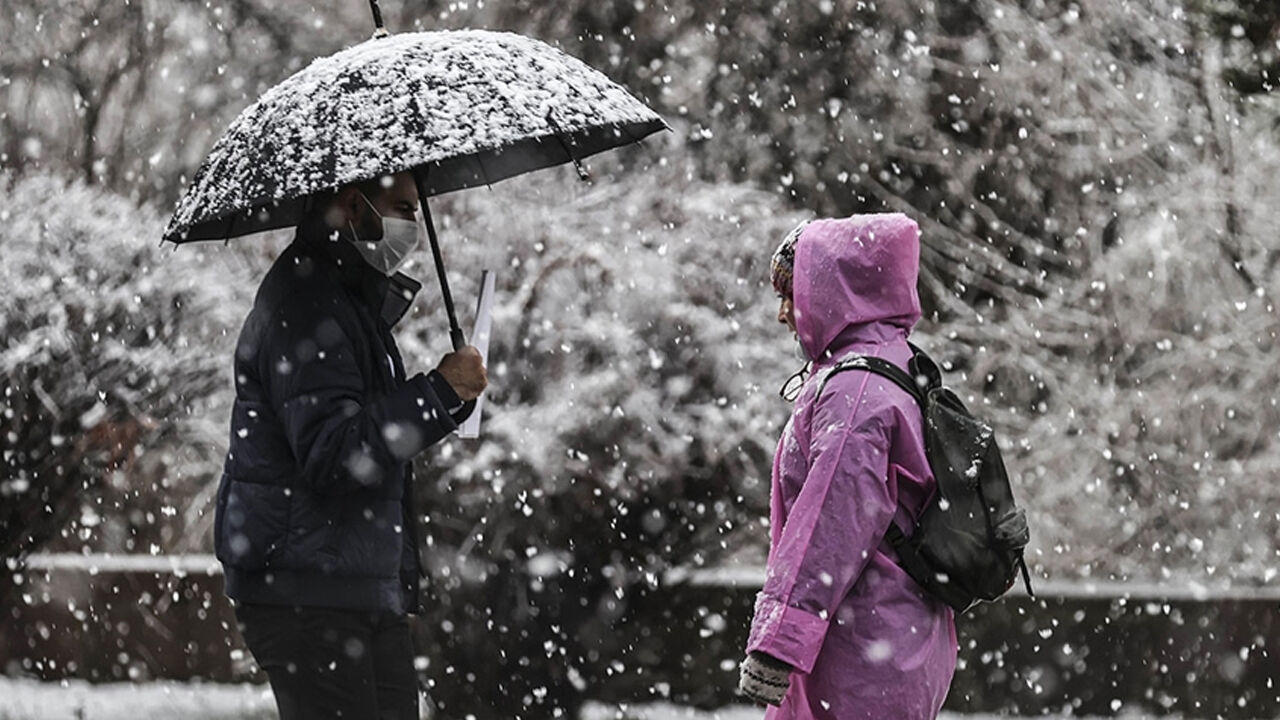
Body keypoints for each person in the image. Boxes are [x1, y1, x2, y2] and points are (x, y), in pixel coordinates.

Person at [213, 171, 487, 720]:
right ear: (354, 205)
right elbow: (335, 453)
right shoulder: (308, 303)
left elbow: (363, 432)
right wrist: (436, 393)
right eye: (402, 208)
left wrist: (450, 398)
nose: (412, 224)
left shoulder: (344, 297)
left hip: (348, 585)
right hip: (310, 592)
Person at [737, 214, 957, 719]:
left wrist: (778, 641)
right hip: (892, 640)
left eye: (791, 294)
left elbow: (830, 523)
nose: (783, 314)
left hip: (863, 655)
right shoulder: (893, 365)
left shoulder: (856, 392)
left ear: (831, 293)